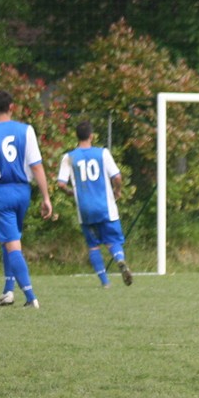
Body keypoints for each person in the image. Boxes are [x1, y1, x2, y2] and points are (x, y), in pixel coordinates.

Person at [0, 89, 55, 309]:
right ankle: (8, 291)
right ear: (11, 107)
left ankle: (30, 297)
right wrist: (46, 197)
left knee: (12, 244)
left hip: (0, 193)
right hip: (22, 192)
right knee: (10, 240)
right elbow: (36, 166)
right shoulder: (26, 130)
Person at [56, 120, 134, 288]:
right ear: (91, 136)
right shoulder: (103, 153)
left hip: (85, 209)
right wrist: (117, 190)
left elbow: (61, 184)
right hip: (105, 206)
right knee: (113, 240)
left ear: (77, 136)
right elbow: (117, 176)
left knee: (93, 245)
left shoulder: (69, 157)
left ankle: (105, 282)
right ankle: (120, 260)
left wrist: (71, 192)